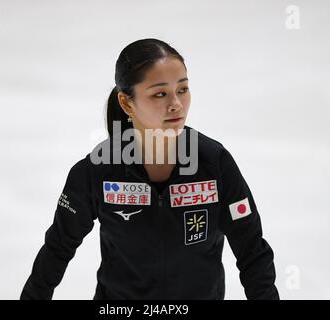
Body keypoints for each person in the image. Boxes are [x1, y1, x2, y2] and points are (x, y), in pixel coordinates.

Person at [20, 38, 279, 300]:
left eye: (183, 89)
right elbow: (57, 250)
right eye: (159, 93)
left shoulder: (216, 164)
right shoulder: (97, 171)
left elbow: (253, 254)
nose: (176, 104)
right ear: (126, 103)